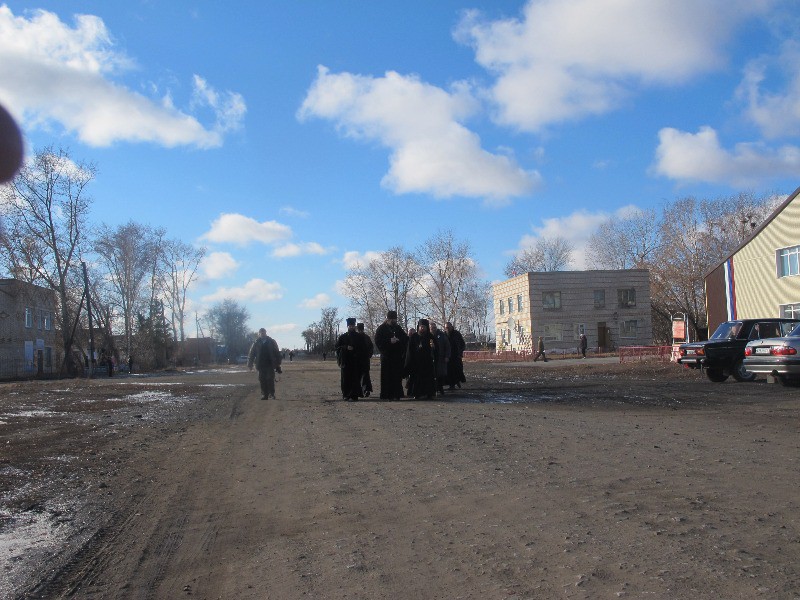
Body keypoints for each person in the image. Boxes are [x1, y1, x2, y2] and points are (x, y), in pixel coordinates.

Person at [374, 310, 409, 400]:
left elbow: (405, 338)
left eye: (395, 319)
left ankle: (397, 394)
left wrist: (398, 340)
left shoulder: (398, 328)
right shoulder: (381, 328)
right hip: (386, 356)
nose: (394, 321)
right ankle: (386, 394)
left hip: (396, 356)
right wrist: (389, 341)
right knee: (387, 376)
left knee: (397, 376)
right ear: (388, 319)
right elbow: (378, 341)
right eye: (392, 319)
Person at [404, 319, 437, 399]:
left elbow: (436, 349)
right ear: (418, 327)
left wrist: (433, 347)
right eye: (421, 327)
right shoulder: (414, 337)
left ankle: (429, 394)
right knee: (417, 379)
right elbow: (409, 350)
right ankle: (417, 394)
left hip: (427, 362)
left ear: (427, 327)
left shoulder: (431, 337)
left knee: (428, 379)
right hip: (416, 362)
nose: (422, 328)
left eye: (424, 327)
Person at [248, 328, 282, 399]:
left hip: (270, 363)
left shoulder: (271, 341)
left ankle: (272, 394)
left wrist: (278, 363)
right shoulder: (256, 343)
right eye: (261, 333)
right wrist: (250, 364)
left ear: (266, 333)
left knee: (270, 379)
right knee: (262, 379)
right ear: (259, 334)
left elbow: (277, 352)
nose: (262, 334)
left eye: (263, 333)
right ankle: (264, 394)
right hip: (260, 364)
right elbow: (251, 354)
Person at [336, 318, 365, 401]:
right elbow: (337, 347)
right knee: (345, 379)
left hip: (355, 361)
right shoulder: (343, 337)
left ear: (354, 326)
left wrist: (355, 350)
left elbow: (363, 348)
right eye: (350, 326)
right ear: (348, 326)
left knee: (355, 378)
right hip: (345, 361)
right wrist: (346, 347)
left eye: (352, 326)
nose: (351, 327)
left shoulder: (359, 337)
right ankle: (346, 394)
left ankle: (354, 395)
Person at [430, 321, 451, 395]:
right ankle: (433, 389)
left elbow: (447, 347)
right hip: (431, 358)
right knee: (432, 374)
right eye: (432, 328)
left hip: (441, 358)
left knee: (441, 374)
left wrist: (447, 356)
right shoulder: (428, 336)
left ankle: (440, 388)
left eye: (434, 327)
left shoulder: (442, 335)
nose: (433, 329)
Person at [445, 322, 466, 390]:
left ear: (451, 326)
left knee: (458, 370)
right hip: (448, 356)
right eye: (446, 328)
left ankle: (457, 381)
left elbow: (462, 344)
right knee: (449, 371)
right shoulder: (444, 334)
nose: (447, 329)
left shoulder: (457, 334)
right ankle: (452, 385)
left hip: (456, 356)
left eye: (448, 327)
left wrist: (460, 353)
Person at [356, 322, 374, 398]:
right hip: (363, 359)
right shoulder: (366, 337)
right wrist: (369, 355)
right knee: (364, 375)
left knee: (362, 375)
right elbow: (371, 347)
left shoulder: (359, 337)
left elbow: (371, 347)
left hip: (361, 359)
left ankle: (364, 390)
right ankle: (365, 390)